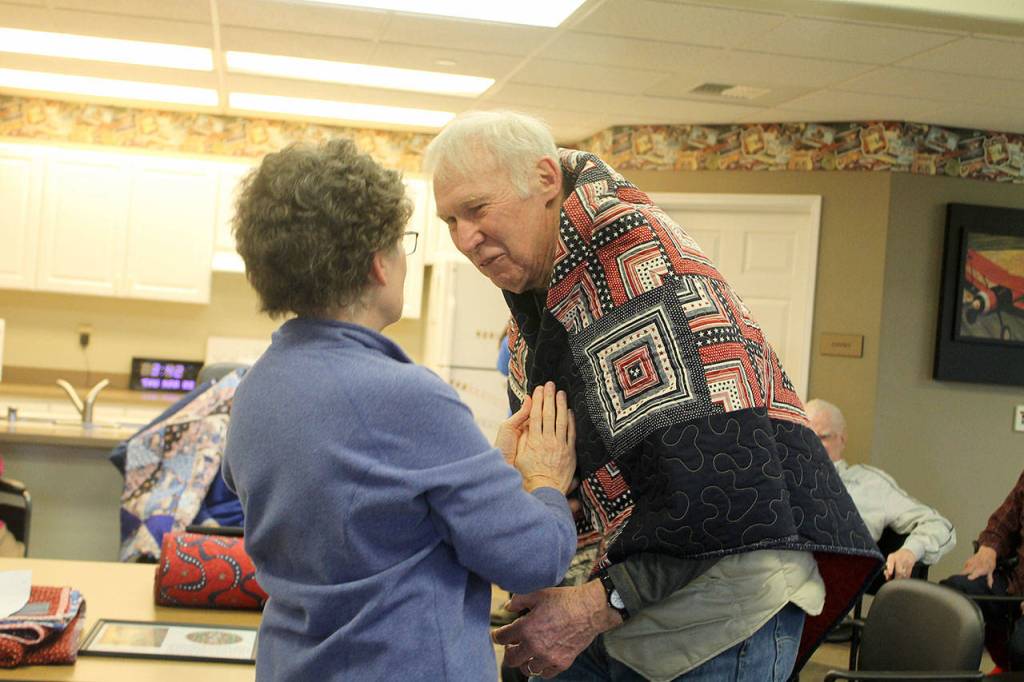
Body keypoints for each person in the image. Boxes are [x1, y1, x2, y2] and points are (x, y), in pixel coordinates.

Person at [424, 111, 881, 681]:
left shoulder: (635, 264)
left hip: (719, 612)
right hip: (636, 595)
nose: (465, 239)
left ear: (545, 179)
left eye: (477, 209)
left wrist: (595, 605)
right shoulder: (547, 295)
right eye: (449, 221)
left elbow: (718, 490)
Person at [221, 139, 578, 681]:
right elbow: (531, 559)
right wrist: (546, 483)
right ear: (377, 265)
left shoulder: (257, 388)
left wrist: (483, 473)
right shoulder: (404, 397)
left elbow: (360, 516)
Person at [806, 399, 956, 580]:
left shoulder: (870, 484)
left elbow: (938, 524)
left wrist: (910, 551)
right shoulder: (776, 478)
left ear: (843, 438)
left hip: (830, 585)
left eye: (822, 437)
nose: (811, 445)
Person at [942, 469, 1024, 671]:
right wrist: (989, 549)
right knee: (952, 598)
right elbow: (1001, 524)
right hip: (1016, 584)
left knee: (1021, 649)